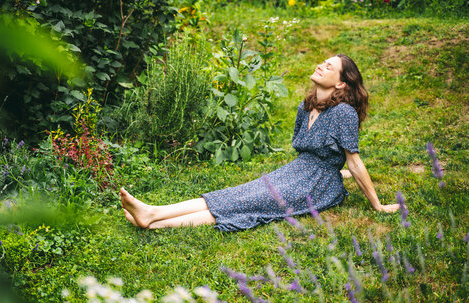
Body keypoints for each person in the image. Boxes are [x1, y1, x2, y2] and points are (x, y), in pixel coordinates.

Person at [119, 54, 400, 231]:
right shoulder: (306, 107)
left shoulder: (343, 113)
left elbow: (353, 159)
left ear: (340, 84)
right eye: (322, 62)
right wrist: (336, 169)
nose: (320, 65)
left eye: (329, 67)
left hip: (318, 187)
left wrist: (377, 205)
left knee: (250, 204)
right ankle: (153, 214)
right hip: (295, 171)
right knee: (236, 194)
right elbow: (317, 154)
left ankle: (155, 219)